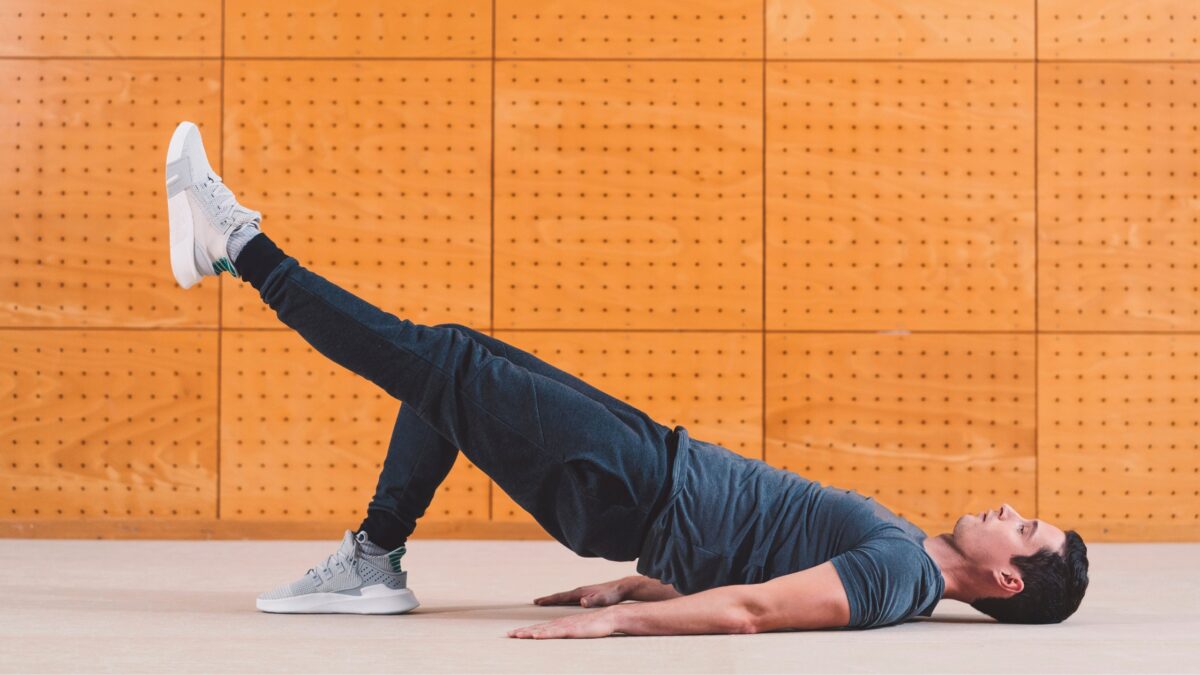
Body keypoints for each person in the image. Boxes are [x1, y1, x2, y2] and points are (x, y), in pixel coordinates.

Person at [164, 121, 1090, 638]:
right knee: (450, 363)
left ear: (1008, 578)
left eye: (1025, 525)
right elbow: (769, 561)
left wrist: (620, 629)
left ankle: (238, 246)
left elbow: (757, 610)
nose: (1010, 507)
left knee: (439, 362)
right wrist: (644, 589)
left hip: (639, 487)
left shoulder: (896, 575)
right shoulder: (907, 558)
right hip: (654, 469)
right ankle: (373, 560)